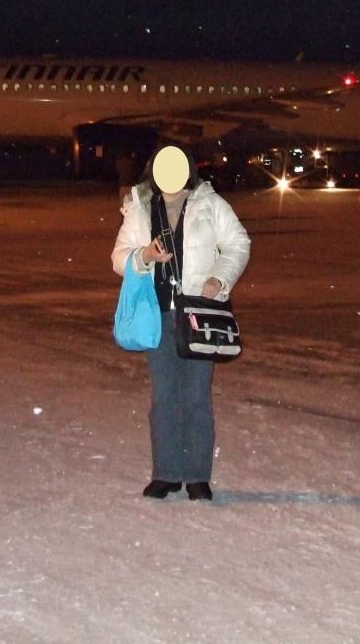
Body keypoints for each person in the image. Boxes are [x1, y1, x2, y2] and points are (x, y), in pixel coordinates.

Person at [112, 145, 250, 501]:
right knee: (163, 398)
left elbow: (238, 244)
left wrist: (218, 279)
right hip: (157, 315)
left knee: (196, 397)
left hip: (198, 314)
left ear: (188, 169)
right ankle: (166, 474)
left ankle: (197, 476)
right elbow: (118, 257)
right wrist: (144, 256)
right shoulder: (140, 207)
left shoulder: (210, 203)